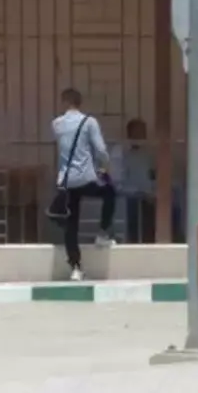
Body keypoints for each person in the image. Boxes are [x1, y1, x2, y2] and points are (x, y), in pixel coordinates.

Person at [51, 88, 115, 281]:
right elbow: (101, 150)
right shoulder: (89, 122)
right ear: (80, 103)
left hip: (67, 181)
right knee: (110, 192)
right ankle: (102, 233)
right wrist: (105, 167)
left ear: (64, 102)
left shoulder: (57, 124)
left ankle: (76, 268)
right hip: (86, 178)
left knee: (71, 224)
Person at [109, 118, 156, 243]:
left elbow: (152, 175)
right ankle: (131, 241)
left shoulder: (148, 153)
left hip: (147, 197)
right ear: (130, 134)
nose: (142, 137)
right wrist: (139, 192)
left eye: (143, 133)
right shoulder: (119, 152)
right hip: (127, 197)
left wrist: (151, 192)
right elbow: (116, 180)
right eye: (138, 133)